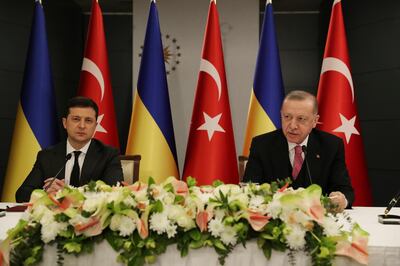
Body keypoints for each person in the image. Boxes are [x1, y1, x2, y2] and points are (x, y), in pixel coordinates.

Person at [243, 90, 354, 212]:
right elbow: (249, 189)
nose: (292, 125)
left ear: (315, 121)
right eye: (287, 117)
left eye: (301, 119)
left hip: (315, 222)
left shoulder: (331, 145)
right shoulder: (262, 145)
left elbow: (345, 190)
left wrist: (341, 199)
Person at [16, 96, 123, 202]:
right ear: (65, 123)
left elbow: (115, 194)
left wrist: (67, 194)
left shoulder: (108, 155)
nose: (82, 126)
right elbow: (22, 194)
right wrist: (45, 194)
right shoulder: (47, 156)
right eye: (76, 119)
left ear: (95, 126)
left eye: (88, 120)